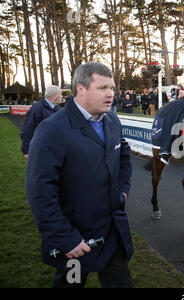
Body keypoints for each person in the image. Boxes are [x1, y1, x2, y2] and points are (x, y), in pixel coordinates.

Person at [25, 62, 134, 288]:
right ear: (80, 89)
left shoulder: (112, 121)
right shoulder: (52, 130)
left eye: (112, 87)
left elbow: (123, 154)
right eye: (102, 88)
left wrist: (123, 190)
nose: (111, 94)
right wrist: (64, 237)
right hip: (75, 240)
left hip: (113, 233)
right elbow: (40, 191)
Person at [20, 85, 62, 160]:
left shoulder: (58, 109)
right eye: (60, 94)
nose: (62, 96)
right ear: (54, 96)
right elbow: (27, 130)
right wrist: (26, 151)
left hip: (56, 149)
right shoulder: (37, 109)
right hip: (41, 150)